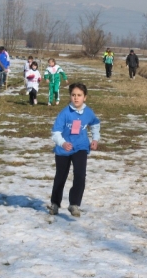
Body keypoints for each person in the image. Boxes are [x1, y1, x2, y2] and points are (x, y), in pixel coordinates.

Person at [48, 82, 100, 217]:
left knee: (80, 175)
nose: (76, 98)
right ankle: (55, 203)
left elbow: (95, 124)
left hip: (81, 147)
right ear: (70, 96)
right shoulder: (64, 113)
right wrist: (63, 143)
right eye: (73, 95)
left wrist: (95, 139)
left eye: (79, 95)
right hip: (64, 149)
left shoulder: (88, 112)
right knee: (61, 176)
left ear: (85, 97)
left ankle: (74, 204)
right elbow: (55, 132)